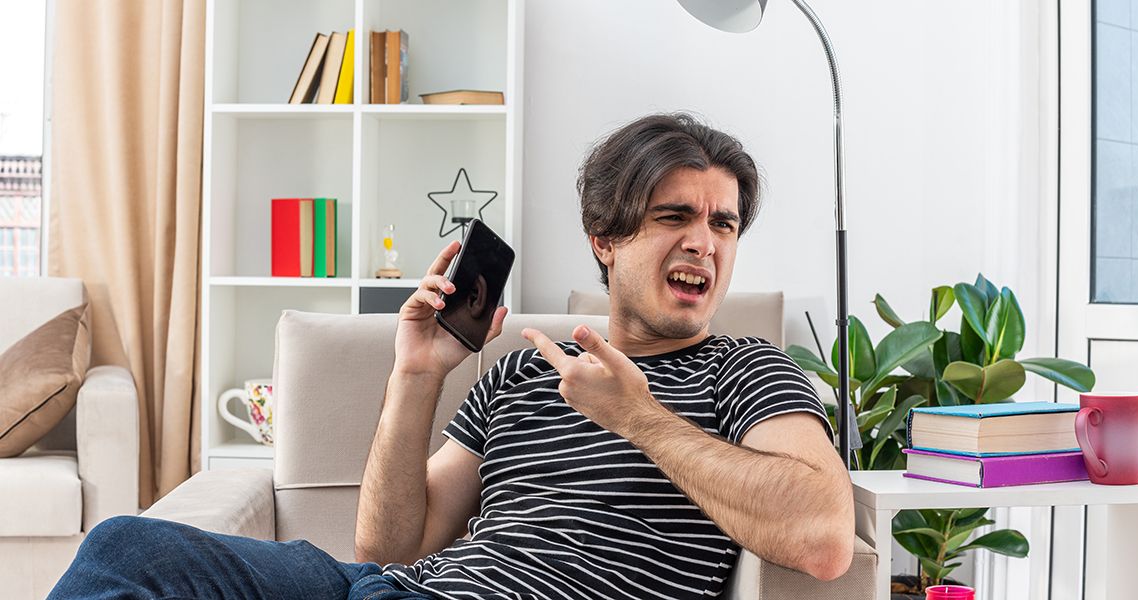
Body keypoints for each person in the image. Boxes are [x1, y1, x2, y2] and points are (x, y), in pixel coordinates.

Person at [49, 113, 854, 600]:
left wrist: (639, 418)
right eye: (675, 217)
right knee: (125, 546)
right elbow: (390, 548)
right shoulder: (523, 371)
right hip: (391, 588)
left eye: (723, 224)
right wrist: (417, 374)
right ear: (604, 239)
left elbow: (822, 537)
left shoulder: (746, 369)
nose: (704, 243)